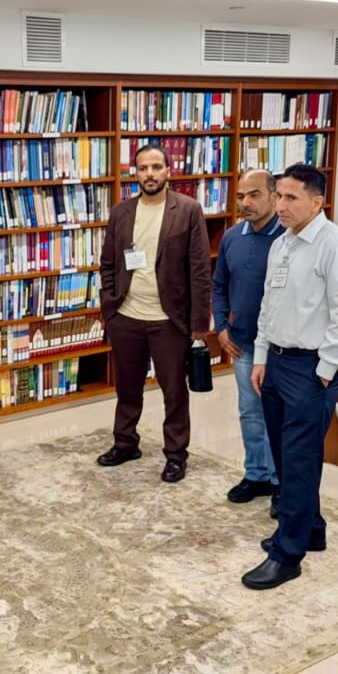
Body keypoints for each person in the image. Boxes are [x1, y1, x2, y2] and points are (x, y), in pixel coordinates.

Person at [241, 163, 338, 590]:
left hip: (312, 367)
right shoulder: (283, 243)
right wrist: (260, 357)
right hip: (276, 361)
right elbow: (268, 306)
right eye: (279, 196)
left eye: (291, 198)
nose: (281, 205)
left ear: (317, 202)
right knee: (287, 453)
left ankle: (287, 554)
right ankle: (310, 528)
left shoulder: (337, 247)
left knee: (297, 458)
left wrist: (325, 372)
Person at [96, 143, 212, 483]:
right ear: (135, 173)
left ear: (168, 171)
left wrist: (199, 322)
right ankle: (125, 443)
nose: (150, 174)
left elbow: (200, 269)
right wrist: (110, 303)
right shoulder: (121, 212)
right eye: (143, 168)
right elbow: (108, 262)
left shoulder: (188, 210)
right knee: (127, 388)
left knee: (174, 392)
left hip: (168, 320)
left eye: (156, 167)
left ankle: (176, 455)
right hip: (126, 316)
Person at [212, 169, 284, 503]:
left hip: (280, 348)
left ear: (274, 196)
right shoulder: (231, 237)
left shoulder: (288, 238)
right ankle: (256, 474)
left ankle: (280, 483)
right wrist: (221, 327)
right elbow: (218, 286)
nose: (245, 203)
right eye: (240, 196)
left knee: (277, 416)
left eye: (254, 195)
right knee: (250, 413)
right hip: (243, 343)